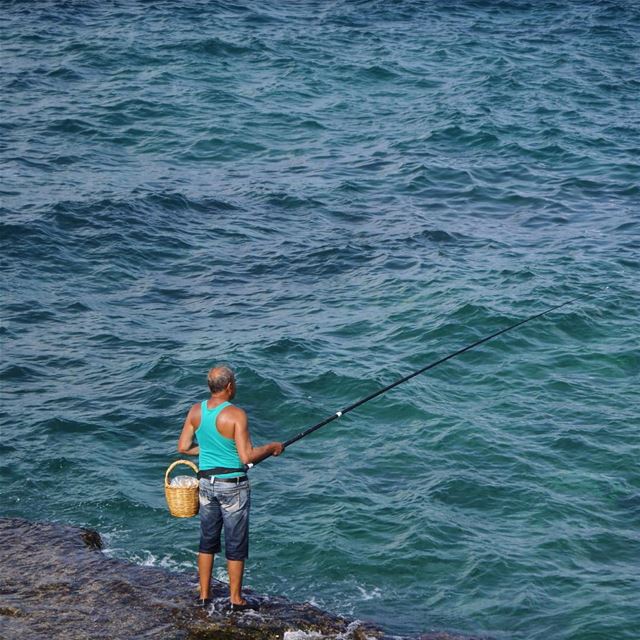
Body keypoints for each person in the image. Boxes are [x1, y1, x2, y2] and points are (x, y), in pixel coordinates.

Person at [177, 364, 284, 610]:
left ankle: (204, 594)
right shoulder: (236, 415)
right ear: (228, 386)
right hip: (232, 486)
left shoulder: (196, 410)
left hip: (205, 483)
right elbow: (247, 457)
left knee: (207, 541)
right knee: (235, 543)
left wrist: (208, 450)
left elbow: (183, 447)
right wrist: (271, 447)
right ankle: (235, 599)